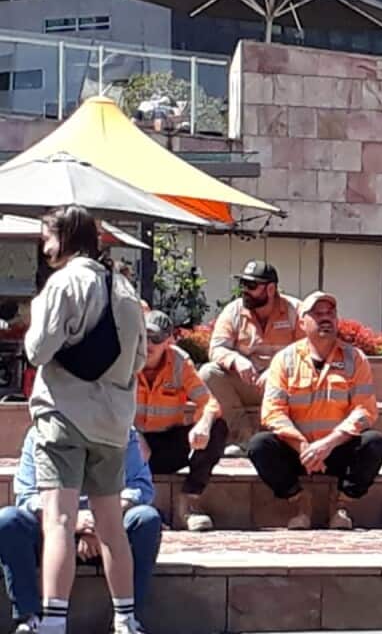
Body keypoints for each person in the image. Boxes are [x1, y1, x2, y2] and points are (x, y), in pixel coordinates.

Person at [24, 205, 148, 634]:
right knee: (113, 525)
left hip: (63, 415)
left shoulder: (63, 284)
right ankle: (125, 618)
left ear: (67, 237)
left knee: (58, 519)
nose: (43, 246)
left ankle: (54, 621)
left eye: (47, 237)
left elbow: (37, 351)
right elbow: (140, 359)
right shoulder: (126, 289)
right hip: (113, 423)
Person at [247, 291, 382, 529]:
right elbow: (273, 413)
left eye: (330, 314)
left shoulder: (355, 359)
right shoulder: (284, 360)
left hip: (337, 448)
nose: (325, 319)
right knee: (259, 446)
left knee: (374, 443)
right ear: (302, 323)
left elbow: (365, 410)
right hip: (297, 451)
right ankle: (300, 503)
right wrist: (304, 447)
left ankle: (342, 505)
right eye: (317, 314)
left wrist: (328, 444)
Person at [0, 427, 161, 634]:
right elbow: (26, 495)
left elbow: (140, 487)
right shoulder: (42, 429)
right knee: (8, 520)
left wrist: (99, 521)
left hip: (110, 532)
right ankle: (30, 618)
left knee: (146, 519)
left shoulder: (120, 430)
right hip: (51, 532)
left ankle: (127, 619)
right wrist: (72, 522)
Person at [200, 259, 304, 457]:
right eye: (243, 284)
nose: (244, 290)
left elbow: (307, 350)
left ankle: (291, 441)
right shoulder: (234, 311)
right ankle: (245, 439)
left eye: (251, 285)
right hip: (251, 383)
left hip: (286, 384)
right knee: (208, 373)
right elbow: (216, 348)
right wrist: (236, 360)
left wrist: (276, 371)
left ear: (271, 289)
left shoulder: (295, 310)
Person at [135, 310, 227, 530]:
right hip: (129, 444)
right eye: (143, 337)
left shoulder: (179, 362)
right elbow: (110, 405)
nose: (148, 344)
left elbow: (210, 403)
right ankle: (135, 508)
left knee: (217, 428)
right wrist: (133, 434)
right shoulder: (125, 359)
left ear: (168, 341)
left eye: (155, 339)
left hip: (166, 443)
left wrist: (204, 424)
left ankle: (189, 502)